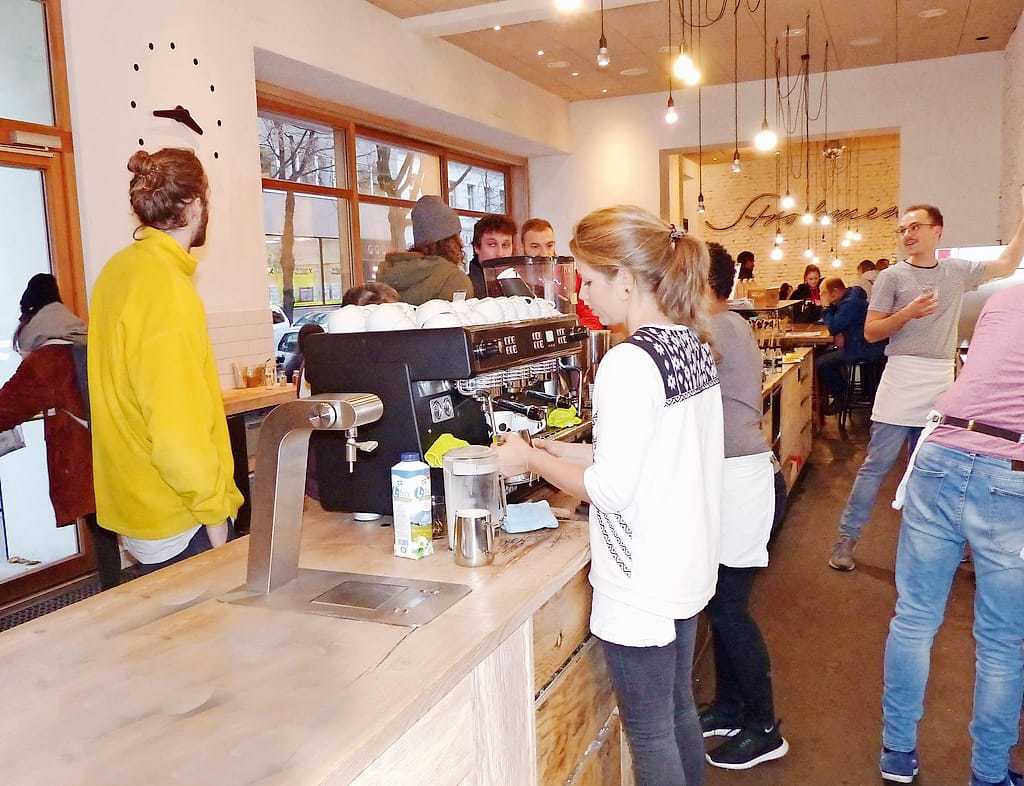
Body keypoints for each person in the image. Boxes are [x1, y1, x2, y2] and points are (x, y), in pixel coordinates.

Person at [494, 205, 723, 786]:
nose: (581, 293)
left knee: (649, 734)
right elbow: (652, 457)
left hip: (641, 576)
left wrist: (528, 459)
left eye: (589, 280)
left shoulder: (627, 361)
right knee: (678, 711)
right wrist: (552, 449)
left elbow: (612, 489)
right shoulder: (690, 346)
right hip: (684, 563)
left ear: (624, 278)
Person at [829, 191, 1024, 572]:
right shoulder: (892, 277)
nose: (908, 234)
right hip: (901, 377)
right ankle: (845, 539)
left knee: (938, 470)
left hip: (940, 384)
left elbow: (1006, 263)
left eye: (915, 227)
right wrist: (907, 313)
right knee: (877, 465)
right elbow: (870, 332)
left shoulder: (957, 272)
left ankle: (951, 544)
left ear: (937, 231)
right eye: (903, 229)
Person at [879, 282, 1024, 786]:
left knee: (915, 617)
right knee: (1002, 641)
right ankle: (989, 774)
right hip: (1010, 471)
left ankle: (896, 751)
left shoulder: (1005, 299)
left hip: (940, 451)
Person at [88, 148, 242, 575]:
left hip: (136, 502)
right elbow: (175, 423)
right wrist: (214, 514)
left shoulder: (118, 271)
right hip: (179, 514)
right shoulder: (166, 288)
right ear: (194, 204)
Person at [701, 242, 789, 770]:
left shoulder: (717, 328)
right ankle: (730, 706)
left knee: (730, 609)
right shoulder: (724, 324)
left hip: (744, 482)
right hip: (735, 480)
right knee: (722, 604)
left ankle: (764, 727)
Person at [0, 275, 121, 590]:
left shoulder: (48, 360)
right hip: (118, 451)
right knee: (116, 531)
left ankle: (117, 598)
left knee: (104, 534)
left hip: (84, 460)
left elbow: (7, 406)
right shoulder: (89, 341)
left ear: (30, 315)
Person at [377, 195, 473, 304]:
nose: (461, 244)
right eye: (457, 236)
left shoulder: (391, 273)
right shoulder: (454, 279)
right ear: (450, 242)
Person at [816, 277, 885, 414]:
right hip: (863, 345)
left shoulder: (851, 303)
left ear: (835, 292)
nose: (821, 296)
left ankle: (841, 398)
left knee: (821, 363)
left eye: (823, 293)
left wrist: (826, 307)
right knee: (825, 356)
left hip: (864, 349)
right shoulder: (851, 298)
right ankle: (843, 394)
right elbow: (839, 324)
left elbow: (834, 326)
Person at [522, 217, 604, 330]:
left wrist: (577, 332)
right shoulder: (514, 279)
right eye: (535, 246)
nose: (544, 253)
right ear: (522, 246)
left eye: (549, 245)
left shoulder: (571, 276)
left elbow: (590, 317)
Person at [468, 213, 516, 298]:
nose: (500, 253)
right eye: (492, 244)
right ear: (477, 247)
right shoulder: (465, 287)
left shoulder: (521, 286)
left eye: (505, 245)